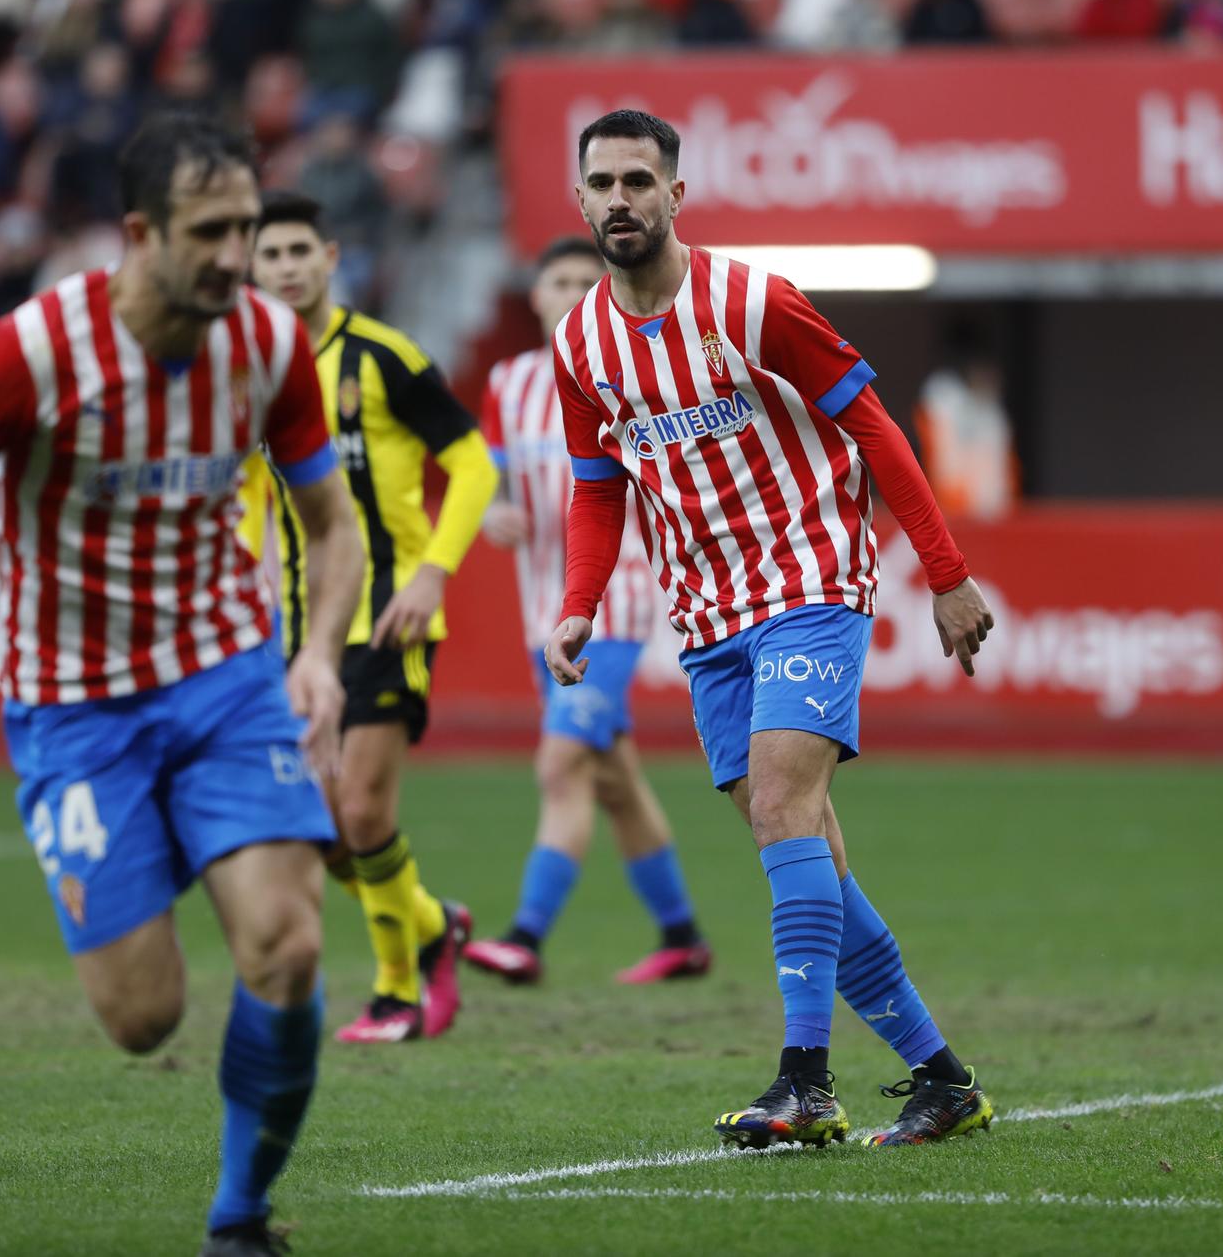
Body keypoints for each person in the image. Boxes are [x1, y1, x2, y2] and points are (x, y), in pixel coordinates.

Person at [0, 113, 366, 1257]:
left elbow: (330, 518)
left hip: (226, 679)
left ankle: (239, 1219)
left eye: (247, 225)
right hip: (74, 709)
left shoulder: (266, 347)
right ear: (137, 233)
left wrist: (316, 651)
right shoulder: (27, 353)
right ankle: (152, 845)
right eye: (208, 231)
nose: (234, 253)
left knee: (289, 941)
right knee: (141, 1016)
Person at [546, 109, 996, 1149]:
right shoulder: (581, 344)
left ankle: (804, 1083)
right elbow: (596, 488)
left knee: (786, 804)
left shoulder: (753, 301)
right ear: (580, 200)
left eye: (638, 181)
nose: (620, 199)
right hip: (704, 615)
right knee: (800, 848)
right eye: (602, 183)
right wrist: (578, 601)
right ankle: (942, 1077)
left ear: (674, 195)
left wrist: (945, 573)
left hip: (806, 578)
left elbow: (870, 423)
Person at [237, 190, 497, 1045]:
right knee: (316, 828)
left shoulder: (384, 359)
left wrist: (431, 577)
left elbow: (472, 467)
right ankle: (432, 923)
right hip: (299, 636)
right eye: (268, 255)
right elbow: (247, 498)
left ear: (330, 256)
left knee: (360, 814)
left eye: (297, 251)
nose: (284, 268)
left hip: (388, 619)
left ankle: (396, 989)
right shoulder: (249, 377)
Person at [462, 235, 709, 986]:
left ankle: (525, 938)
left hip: (619, 601)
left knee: (560, 762)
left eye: (583, 280)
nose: (569, 291)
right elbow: (493, 480)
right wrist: (491, 513)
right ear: (534, 296)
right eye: (556, 281)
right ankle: (682, 936)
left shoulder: (623, 370)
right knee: (613, 778)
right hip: (547, 610)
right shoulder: (509, 382)